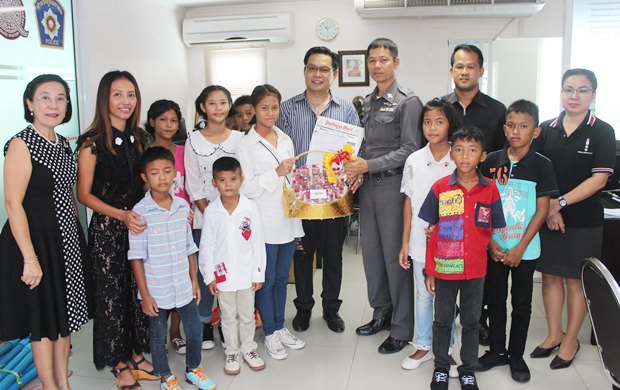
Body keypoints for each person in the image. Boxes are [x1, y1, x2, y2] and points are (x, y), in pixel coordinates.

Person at [0, 74, 91, 390]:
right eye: (44, 97)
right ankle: (51, 386)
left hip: (64, 240)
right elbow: (13, 203)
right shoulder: (20, 144)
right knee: (42, 320)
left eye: (60, 98)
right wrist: (29, 258)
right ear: (30, 104)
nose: (54, 105)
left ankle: (62, 384)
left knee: (62, 317)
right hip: (34, 243)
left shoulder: (64, 144)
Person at [531, 69, 616, 369]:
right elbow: (536, 171)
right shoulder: (546, 128)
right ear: (561, 92)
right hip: (548, 217)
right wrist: (550, 207)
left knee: (574, 281)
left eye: (582, 90)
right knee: (551, 277)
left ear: (593, 94)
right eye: (568, 89)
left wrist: (560, 203)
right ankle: (554, 334)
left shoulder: (603, 131)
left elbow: (599, 180)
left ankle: (571, 340)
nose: (574, 96)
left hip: (582, 220)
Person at [344, 37, 422, 354]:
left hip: (393, 187)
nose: (377, 65)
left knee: (395, 258)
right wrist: (357, 170)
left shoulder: (408, 101)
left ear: (396, 63)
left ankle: (403, 326)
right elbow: (363, 145)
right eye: (372, 60)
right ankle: (381, 313)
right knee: (372, 256)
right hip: (370, 187)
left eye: (383, 59)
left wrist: (369, 164)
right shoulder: (367, 101)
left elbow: (411, 149)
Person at [76, 70, 153, 389]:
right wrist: (120, 215)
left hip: (138, 227)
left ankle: (135, 353)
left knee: (136, 293)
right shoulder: (92, 141)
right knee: (112, 296)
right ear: (104, 98)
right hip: (109, 229)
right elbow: (84, 194)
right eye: (118, 94)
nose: (125, 101)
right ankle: (118, 362)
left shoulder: (141, 138)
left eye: (131, 94)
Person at [276, 46, 361, 333]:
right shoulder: (286, 109)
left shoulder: (346, 109)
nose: (317, 74)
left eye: (324, 69)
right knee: (302, 254)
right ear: (304, 71)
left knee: (333, 255)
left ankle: (331, 309)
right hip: (300, 195)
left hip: (335, 195)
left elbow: (354, 150)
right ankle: (303, 308)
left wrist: (352, 174)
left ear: (334, 74)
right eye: (312, 68)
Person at [477, 100, 559, 383]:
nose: (516, 131)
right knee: (495, 300)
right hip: (495, 246)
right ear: (504, 128)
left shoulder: (542, 165)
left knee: (521, 304)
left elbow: (542, 210)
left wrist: (521, 248)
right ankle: (497, 351)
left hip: (526, 248)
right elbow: (482, 204)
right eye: (511, 125)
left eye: (523, 126)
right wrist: (489, 243)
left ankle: (515, 355)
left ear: (535, 132)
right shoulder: (490, 162)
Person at [419, 126, 505, 390]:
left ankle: (468, 369)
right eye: (458, 149)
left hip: (476, 268)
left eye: (472, 150)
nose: (465, 156)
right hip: (445, 267)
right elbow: (430, 233)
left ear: (483, 156)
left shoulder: (490, 190)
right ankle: (441, 368)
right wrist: (430, 270)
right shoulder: (440, 188)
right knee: (442, 320)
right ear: (451, 154)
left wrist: (494, 248)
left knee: (471, 321)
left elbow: (491, 229)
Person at [128, 147, 216, 390]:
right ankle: (165, 375)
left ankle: (193, 369)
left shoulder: (181, 207)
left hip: (183, 284)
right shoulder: (140, 212)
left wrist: (195, 281)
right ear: (144, 177)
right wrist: (144, 295)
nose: (162, 177)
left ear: (175, 174)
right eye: (155, 173)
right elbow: (136, 257)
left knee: (195, 328)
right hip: (156, 288)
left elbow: (189, 247)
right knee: (157, 336)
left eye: (167, 171)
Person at [442, 43, 507, 345]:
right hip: (448, 194)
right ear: (451, 70)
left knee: (481, 257)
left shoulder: (496, 110)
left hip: (483, 195)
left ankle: (478, 319)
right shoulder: (440, 107)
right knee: (450, 251)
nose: (464, 71)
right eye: (459, 66)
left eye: (470, 66)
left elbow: (501, 157)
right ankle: (449, 313)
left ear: (481, 71)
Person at [237, 84, 306, 360]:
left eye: (274, 107)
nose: (270, 113)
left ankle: (279, 327)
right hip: (263, 221)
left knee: (281, 278)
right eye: (264, 107)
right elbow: (246, 188)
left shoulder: (285, 139)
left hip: (287, 219)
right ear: (253, 110)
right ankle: (268, 332)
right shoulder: (246, 144)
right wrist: (275, 173)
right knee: (265, 281)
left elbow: (293, 180)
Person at [397, 98, 460, 376]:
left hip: (450, 241)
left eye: (439, 121)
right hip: (420, 242)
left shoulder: (458, 157)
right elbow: (409, 202)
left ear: (450, 124)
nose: (432, 127)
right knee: (423, 294)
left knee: (446, 297)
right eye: (427, 122)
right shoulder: (414, 159)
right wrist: (405, 242)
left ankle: (446, 348)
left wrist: (444, 227)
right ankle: (423, 344)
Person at [184, 85, 244, 350]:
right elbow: (193, 184)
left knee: (233, 268)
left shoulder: (241, 139)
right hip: (205, 219)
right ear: (202, 108)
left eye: (223, 102)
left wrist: (231, 216)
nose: (218, 108)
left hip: (237, 217)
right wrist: (213, 216)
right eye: (213, 103)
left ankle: (230, 321)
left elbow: (246, 178)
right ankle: (205, 323)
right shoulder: (193, 140)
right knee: (205, 269)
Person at [201, 156, 267, 374]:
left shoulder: (250, 208)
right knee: (228, 315)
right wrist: (209, 276)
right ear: (214, 182)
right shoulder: (211, 211)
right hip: (223, 276)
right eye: (222, 180)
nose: (228, 184)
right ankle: (232, 350)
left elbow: (257, 242)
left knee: (247, 314)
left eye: (233, 179)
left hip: (247, 273)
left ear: (241, 180)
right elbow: (207, 245)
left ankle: (248, 347)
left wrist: (259, 273)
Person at [145, 99, 190, 354]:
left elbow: (189, 187)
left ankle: (175, 331)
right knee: (158, 280)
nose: (169, 125)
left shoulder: (184, 152)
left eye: (173, 120)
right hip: (155, 227)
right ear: (152, 122)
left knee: (181, 278)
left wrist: (190, 212)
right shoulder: (146, 153)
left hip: (181, 222)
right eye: (163, 119)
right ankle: (156, 334)